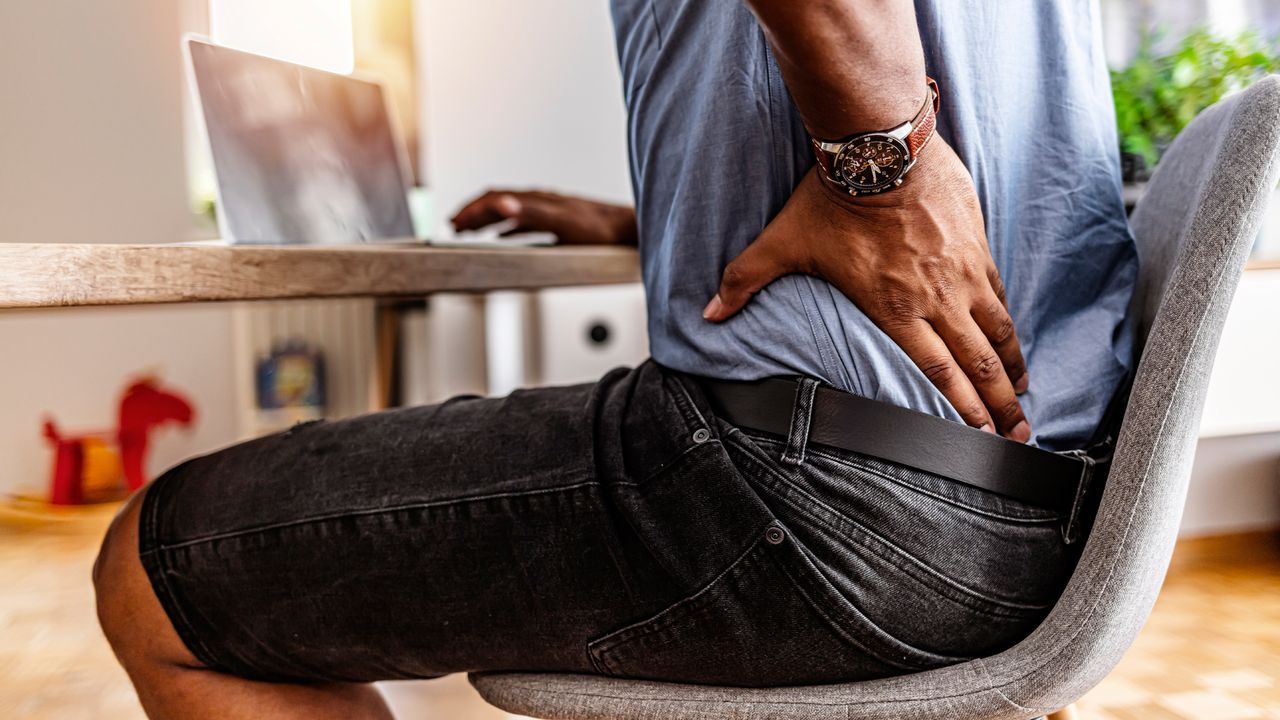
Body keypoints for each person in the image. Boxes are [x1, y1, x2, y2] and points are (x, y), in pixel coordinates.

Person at [93, 1, 1136, 718]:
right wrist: (666, 221)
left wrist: (882, 172)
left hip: (815, 495)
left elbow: (906, 201)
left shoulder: (880, 170)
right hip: (1035, 512)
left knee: (158, 572)